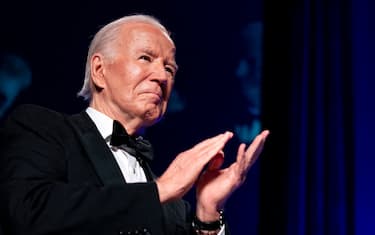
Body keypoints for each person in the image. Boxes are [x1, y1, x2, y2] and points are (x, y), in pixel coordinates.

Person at [0, 14, 269, 235]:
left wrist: (208, 211)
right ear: (99, 70)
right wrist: (159, 191)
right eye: (145, 58)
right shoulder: (42, 128)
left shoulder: (174, 206)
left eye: (170, 69)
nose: (161, 76)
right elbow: (28, 213)